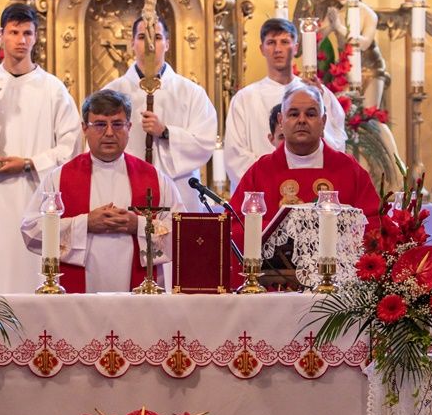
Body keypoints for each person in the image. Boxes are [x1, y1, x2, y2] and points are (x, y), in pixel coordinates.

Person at [0, 3, 82, 294]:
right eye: (14, 32)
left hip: (32, 192)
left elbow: (71, 146)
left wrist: (28, 162)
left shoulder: (52, 89)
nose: (21, 40)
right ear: (1, 36)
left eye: (27, 33)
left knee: (29, 274)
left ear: (36, 37)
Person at [22, 89, 183, 292]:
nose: (109, 133)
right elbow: (31, 230)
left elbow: (183, 234)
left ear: (129, 127)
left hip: (140, 303)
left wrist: (139, 225)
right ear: (84, 128)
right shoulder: (59, 179)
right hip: (77, 301)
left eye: (117, 124)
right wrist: (86, 223)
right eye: (99, 124)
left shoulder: (155, 179)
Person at [229, 83, 380, 245]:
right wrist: (284, 231)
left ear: (323, 121)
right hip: (273, 270)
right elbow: (234, 224)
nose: (302, 120)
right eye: (293, 114)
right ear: (281, 120)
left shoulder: (348, 169)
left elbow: (373, 222)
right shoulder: (260, 172)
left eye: (311, 114)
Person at [104, 16, 217, 211]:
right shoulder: (112, 92)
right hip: (124, 189)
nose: (149, 44)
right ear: (132, 44)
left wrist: (166, 132)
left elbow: (205, 142)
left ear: (167, 44)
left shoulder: (191, 92)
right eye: (141, 37)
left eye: (156, 37)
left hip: (179, 190)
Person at [224, 18, 348, 189]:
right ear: (262, 49)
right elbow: (235, 154)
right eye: (271, 42)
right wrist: (273, 176)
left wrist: (300, 172)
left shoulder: (316, 93)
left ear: (296, 47)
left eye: (284, 42)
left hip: (311, 186)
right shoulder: (245, 98)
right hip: (262, 188)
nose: (278, 49)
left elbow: (336, 145)